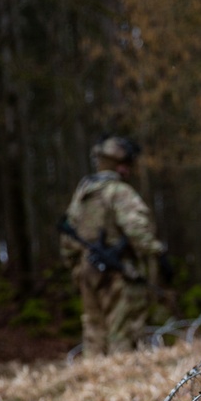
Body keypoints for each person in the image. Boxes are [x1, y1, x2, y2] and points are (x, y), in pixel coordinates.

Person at [59, 136, 166, 356]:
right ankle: (122, 380)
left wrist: (75, 266)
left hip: (87, 269)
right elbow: (137, 229)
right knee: (122, 331)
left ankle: (95, 377)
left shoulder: (83, 194)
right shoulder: (118, 192)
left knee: (93, 330)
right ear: (119, 165)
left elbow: (68, 238)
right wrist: (156, 253)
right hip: (116, 271)